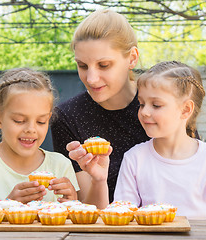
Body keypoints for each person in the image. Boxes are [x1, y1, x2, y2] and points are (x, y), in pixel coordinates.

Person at [113, 61, 206, 220]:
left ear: (186, 110)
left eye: (156, 105)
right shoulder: (134, 158)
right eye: (142, 104)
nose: (144, 112)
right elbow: (123, 213)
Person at [50, 9, 149, 209]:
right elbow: (88, 208)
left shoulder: (166, 104)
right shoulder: (67, 117)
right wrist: (97, 179)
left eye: (104, 65)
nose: (91, 78)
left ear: (132, 58)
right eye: (83, 66)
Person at [0, 68, 79, 205]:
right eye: (19, 120)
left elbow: (71, 221)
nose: (31, 129)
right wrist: (8, 205)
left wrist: (71, 203)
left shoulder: (61, 165)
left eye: (41, 122)